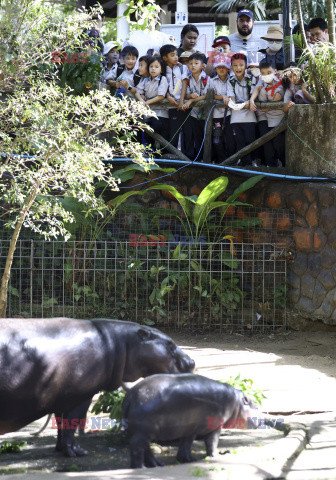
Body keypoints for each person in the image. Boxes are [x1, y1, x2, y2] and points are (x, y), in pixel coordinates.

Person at [160, 44, 194, 159]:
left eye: (176, 55)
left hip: (183, 104)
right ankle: (172, 156)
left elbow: (184, 83)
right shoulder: (162, 69)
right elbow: (162, 85)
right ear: (165, 58)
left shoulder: (182, 67)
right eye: (172, 55)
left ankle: (188, 157)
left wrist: (181, 100)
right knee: (173, 132)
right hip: (170, 106)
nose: (176, 57)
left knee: (188, 131)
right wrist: (168, 96)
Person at [250, 59, 285, 167]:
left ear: (275, 71)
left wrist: (271, 104)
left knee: (280, 143)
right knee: (267, 143)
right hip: (267, 117)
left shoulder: (282, 80)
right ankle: (271, 165)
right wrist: (251, 100)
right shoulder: (261, 81)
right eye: (263, 73)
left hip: (281, 117)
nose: (266, 75)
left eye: (269, 72)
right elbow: (257, 88)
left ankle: (284, 164)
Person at [226, 53, 256, 166]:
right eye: (235, 65)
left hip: (250, 115)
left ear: (246, 66)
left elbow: (253, 96)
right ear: (231, 67)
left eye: (241, 65)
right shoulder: (231, 81)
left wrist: (247, 103)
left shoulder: (251, 78)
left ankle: (251, 162)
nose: (238, 68)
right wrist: (243, 104)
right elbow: (232, 101)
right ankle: (243, 163)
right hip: (236, 116)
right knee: (239, 141)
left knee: (250, 139)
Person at [180, 52, 209, 161]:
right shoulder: (187, 79)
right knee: (193, 135)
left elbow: (207, 95)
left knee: (203, 135)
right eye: (190, 63)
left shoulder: (206, 78)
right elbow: (185, 94)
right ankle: (194, 158)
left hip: (205, 113)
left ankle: (204, 158)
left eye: (196, 63)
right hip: (193, 113)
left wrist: (191, 100)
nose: (192, 65)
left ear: (203, 66)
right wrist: (189, 96)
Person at [135, 56, 169, 143]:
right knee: (146, 132)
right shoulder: (145, 80)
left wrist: (146, 103)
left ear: (161, 70)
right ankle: (151, 150)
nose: (153, 69)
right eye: (151, 67)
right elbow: (137, 92)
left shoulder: (162, 79)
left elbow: (161, 96)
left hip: (160, 112)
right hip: (147, 113)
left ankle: (158, 151)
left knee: (156, 127)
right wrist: (141, 98)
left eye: (156, 67)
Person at [209, 58, 234, 162]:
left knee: (229, 138)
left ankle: (231, 160)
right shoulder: (212, 81)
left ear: (228, 68)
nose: (222, 69)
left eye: (224, 67)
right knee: (217, 139)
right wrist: (222, 96)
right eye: (219, 67)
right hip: (216, 115)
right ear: (215, 68)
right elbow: (210, 95)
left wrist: (226, 97)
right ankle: (220, 160)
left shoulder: (231, 79)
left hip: (229, 114)